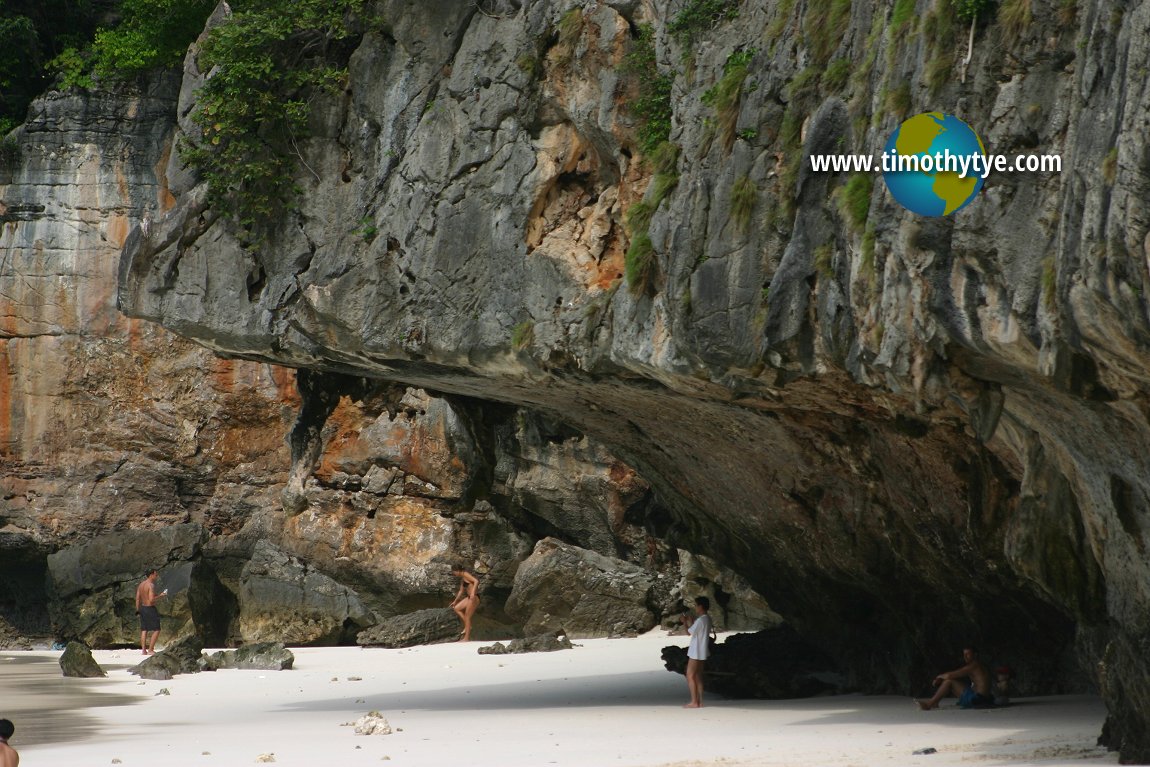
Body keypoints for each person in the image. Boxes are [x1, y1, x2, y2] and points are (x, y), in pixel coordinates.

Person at [916, 646, 993, 710]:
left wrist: (939, 677)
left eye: (968, 654)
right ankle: (934, 702)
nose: (965, 657)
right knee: (954, 683)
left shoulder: (974, 666)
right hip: (984, 698)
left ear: (975, 655)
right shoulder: (981, 665)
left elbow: (950, 676)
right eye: (964, 655)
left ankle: (931, 703)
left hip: (978, 699)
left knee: (949, 681)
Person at [681, 596, 715, 709]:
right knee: (698, 675)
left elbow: (689, 632)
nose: (695, 608)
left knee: (690, 675)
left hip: (696, 651)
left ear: (700, 606)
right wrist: (691, 622)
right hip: (703, 650)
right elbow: (697, 630)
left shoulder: (701, 620)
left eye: (696, 605)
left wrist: (684, 622)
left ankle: (694, 702)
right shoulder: (707, 618)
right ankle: (700, 701)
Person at [135, 569, 168, 655]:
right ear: (151, 575)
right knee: (157, 629)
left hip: (143, 608)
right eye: (155, 574)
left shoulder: (141, 585)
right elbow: (151, 599)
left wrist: (138, 610)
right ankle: (150, 649)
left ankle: (143, 650)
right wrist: (161, 595)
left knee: (144, 629)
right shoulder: (151, 585)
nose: (156, 576)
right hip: (150, 608)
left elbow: (138, 598)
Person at [449, 564, 480, 642]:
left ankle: (466, 638)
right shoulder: (463, 578)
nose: (454, 574)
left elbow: (476, 581)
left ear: (458, 571)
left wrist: (473, 592)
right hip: (469, 597)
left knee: (467, 616)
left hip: (474, 597)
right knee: (457, 608)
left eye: (454, 572)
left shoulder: (466, 574)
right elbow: (461, 591)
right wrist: (455, 601)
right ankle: (468, 626)